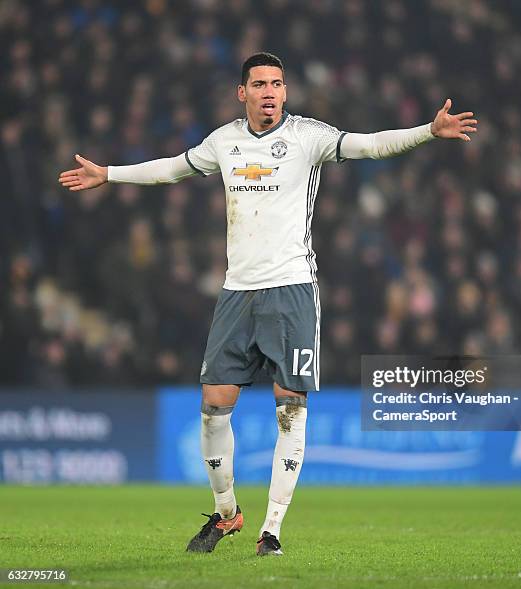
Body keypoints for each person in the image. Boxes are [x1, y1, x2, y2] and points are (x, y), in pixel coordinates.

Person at [59, 52, 477, 556]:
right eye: (259, 84)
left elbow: (369, 145)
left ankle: (272, 530)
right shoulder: (224, 141)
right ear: (243, 93)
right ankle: (227, 513)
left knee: (289, 412)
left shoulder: (307, 136)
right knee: (214, 407)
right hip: (237, 291)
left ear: (285, 91)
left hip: (292, 290)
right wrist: (110, 173)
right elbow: (172, 169)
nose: (269, 92)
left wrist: (427, 131)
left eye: (277, 84)